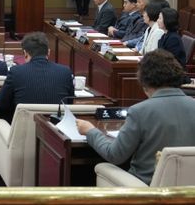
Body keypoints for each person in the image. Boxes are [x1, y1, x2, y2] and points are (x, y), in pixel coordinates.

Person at [77, 50, 195, 185]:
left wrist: (91, 131)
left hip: (145, 187)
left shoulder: (139, 111)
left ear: (144, 83)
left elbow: (114, 155)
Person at [0, 32, 74, 117]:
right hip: (57, 125)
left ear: (25, 53)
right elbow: (70, 103)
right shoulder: (65, 71)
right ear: (48, 52)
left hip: (24, 125)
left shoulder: (15, 71)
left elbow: (2, 103)